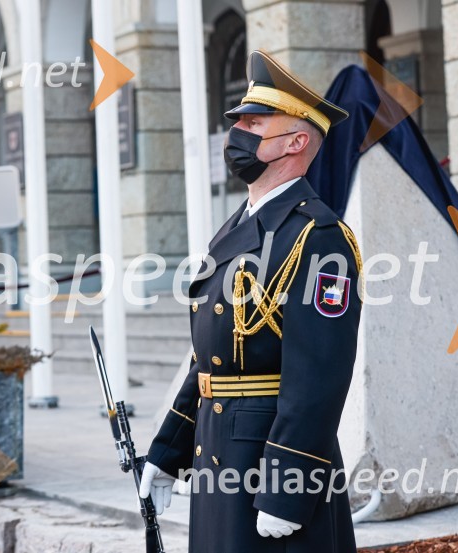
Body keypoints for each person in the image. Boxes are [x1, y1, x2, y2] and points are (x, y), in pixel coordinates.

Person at [138, 50, 363, 552]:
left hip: (269, 467)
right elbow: (210, 362)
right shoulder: (237, 228)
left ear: (296, 141)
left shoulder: (318, 237)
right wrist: (169, 450)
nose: (237, 133)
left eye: (255, 123)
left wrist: (287, 488)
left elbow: (319, 379)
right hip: (219, 455)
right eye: (238, 121)